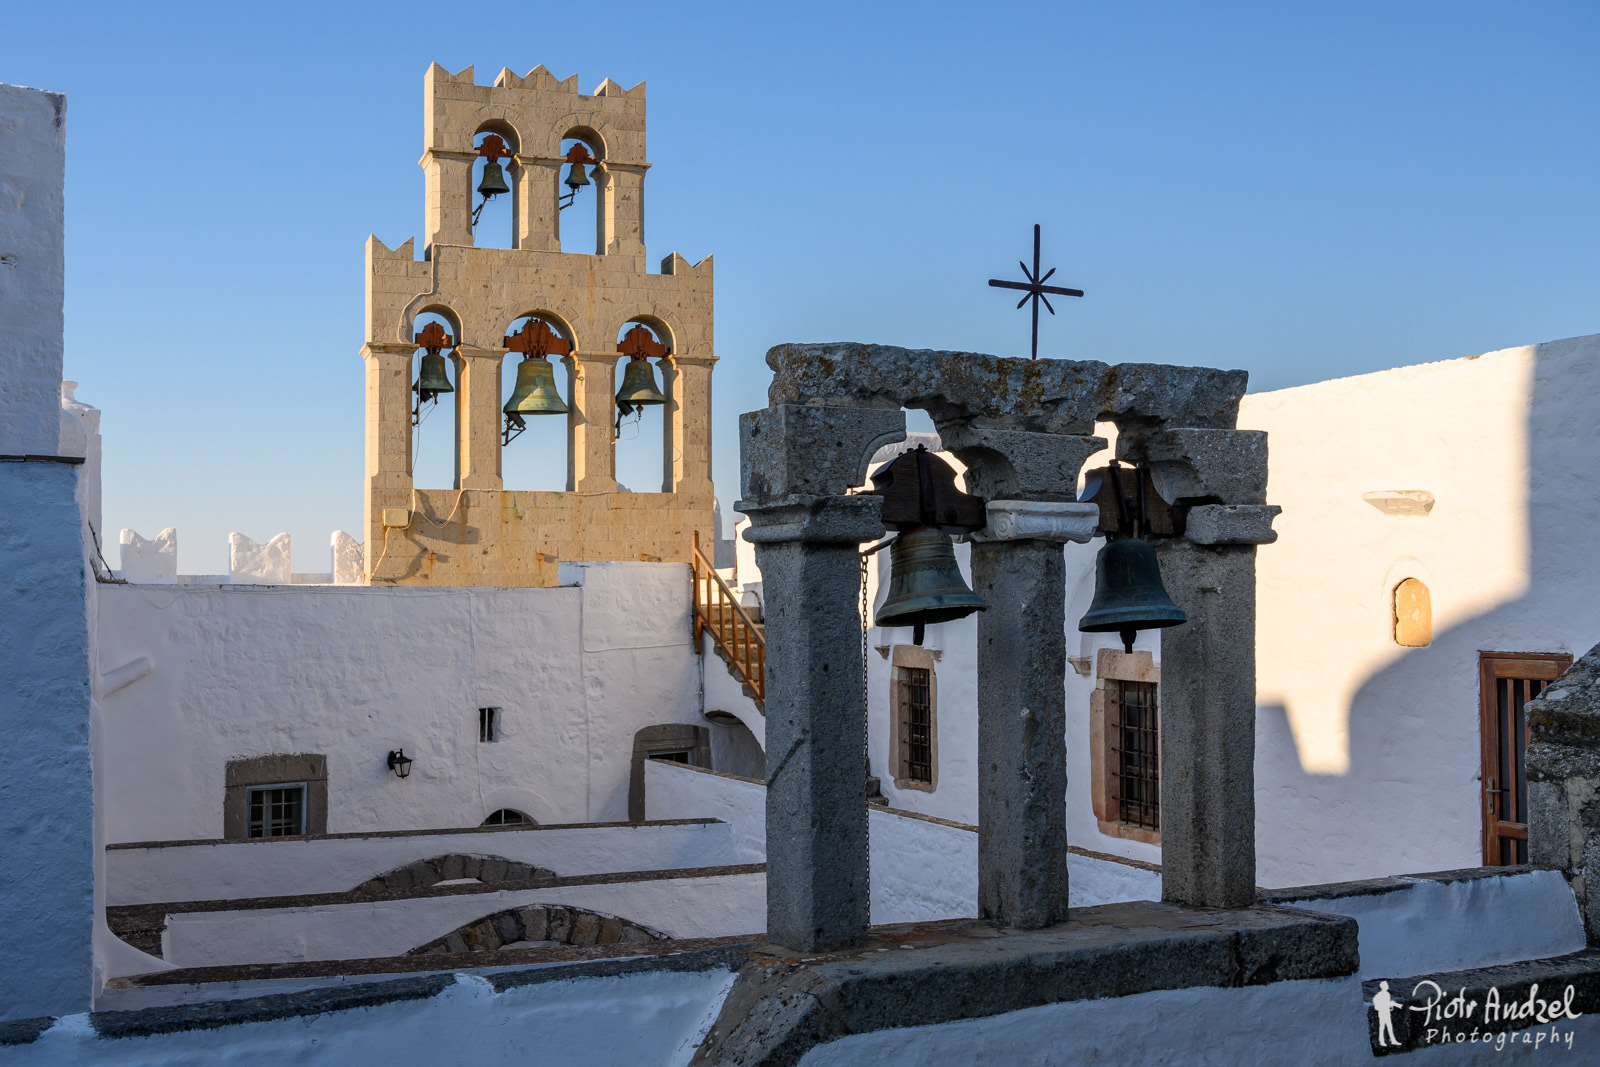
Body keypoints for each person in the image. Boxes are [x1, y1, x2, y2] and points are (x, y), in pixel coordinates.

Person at [1371, 981, 1402, 1047]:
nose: (1387, 986)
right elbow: (1378, 1005)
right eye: (1386, 985)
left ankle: (1392, 1040)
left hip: (1387, 1013)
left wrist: (1390, 1006)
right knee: (1382, 1027)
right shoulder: (1379, 995)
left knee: (1389, 1026)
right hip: (1382, 1013)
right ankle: (1381, 1041)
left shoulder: (1387, 994)